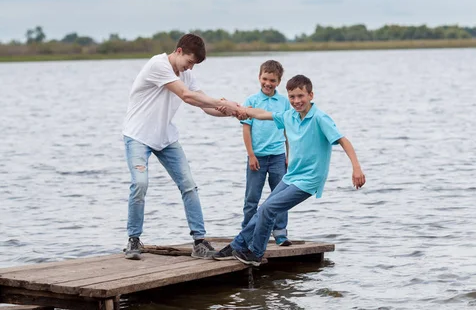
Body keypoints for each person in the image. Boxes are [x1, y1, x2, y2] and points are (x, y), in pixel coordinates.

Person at [212, 74, 366, 266]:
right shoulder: (289, 116)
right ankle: (237, 245)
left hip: (309, 180)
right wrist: (237, 109)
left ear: (311, 95)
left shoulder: (319, 118)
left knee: (268, 209)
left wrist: (356, 168)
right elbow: (261, 114)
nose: (296, 101)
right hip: (291, 175)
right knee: (263, 210)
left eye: (300, 96)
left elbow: (343, 140)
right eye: (292, 97)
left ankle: (256, 253)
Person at [122, 33, 240, 260]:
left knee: (189, 185)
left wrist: (233, 112)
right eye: (189, 62)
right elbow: (186, 96)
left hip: (165, 137)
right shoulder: (158, 65)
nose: (190, 69)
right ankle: (133, 239)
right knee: (140, 184)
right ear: (178, 52)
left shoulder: (185, 73)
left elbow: (203, 103)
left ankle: (199, 242)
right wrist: (223, 102)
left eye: (194, 65)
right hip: (138, 136)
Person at [239, 60, 293, 246]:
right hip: (257, 157)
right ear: (259, 77)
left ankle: (280, 233)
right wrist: (251, 155)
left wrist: (289, 155)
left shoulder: (285, 103)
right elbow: (246, 130)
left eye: (272, 80)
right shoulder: (251, 101)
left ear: (278, 81)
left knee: (281, 197)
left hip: (278, 156)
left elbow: (289, 131)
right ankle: (247, 233)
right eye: (265, 78)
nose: (268, 83)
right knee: (252, 198)